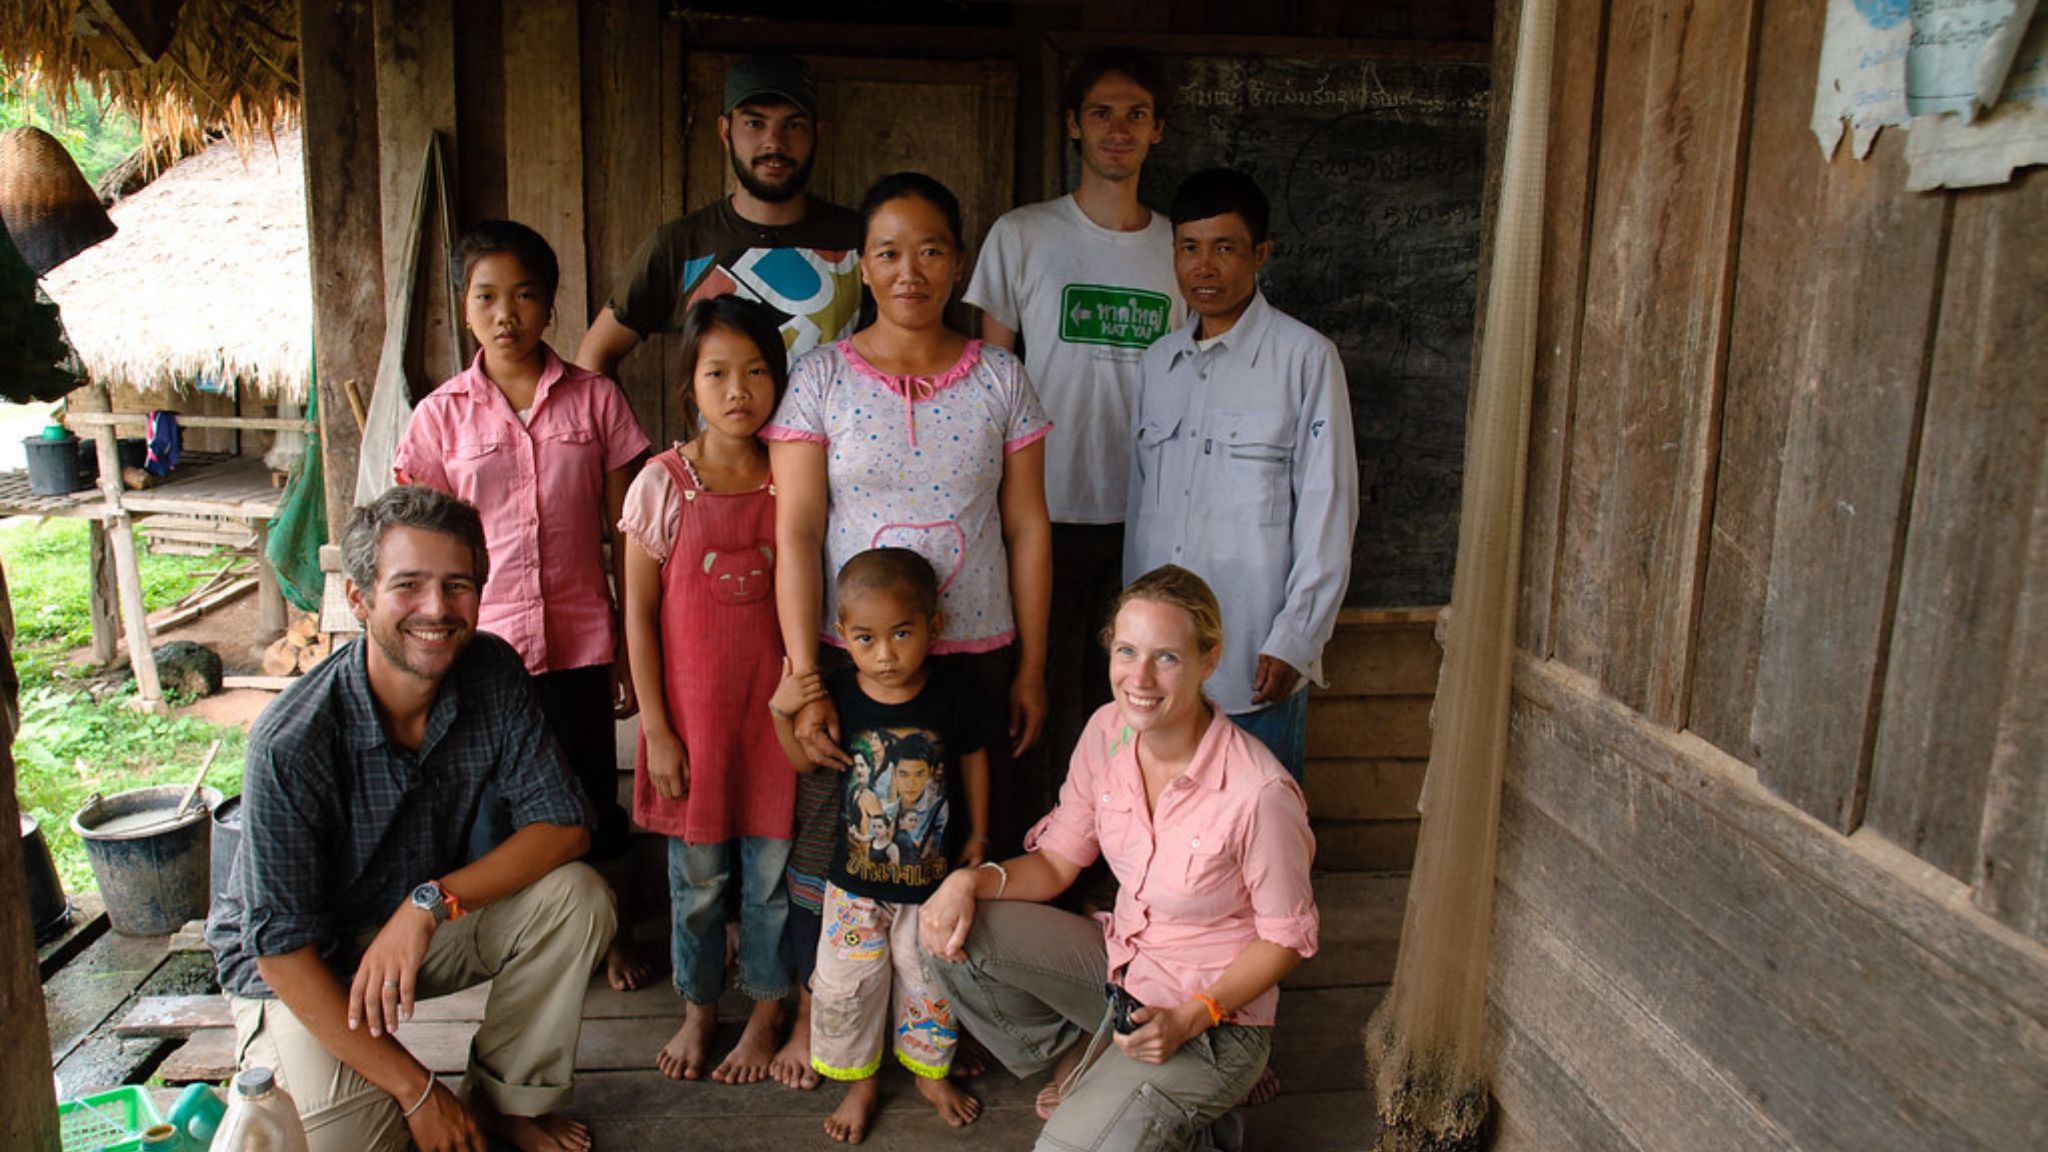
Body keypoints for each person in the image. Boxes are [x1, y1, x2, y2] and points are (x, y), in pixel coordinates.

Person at [205, 485, 615, 1152]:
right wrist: (418, 1088)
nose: (436, 609)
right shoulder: (291, 742)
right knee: (361, 1145)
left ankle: (502, 1099)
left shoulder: (491, 672)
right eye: (408, 586)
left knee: (578, 898)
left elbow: (566, 824)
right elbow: (279, 950)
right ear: (359, 600)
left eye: (458, 586)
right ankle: (376, 1082)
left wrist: (430, 903)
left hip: (409, 931)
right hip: (300, 970)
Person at [764, 170, 1053, 1084]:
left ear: (958, 262)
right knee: (838, 842)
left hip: (974, 656)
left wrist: (1034, 664)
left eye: (931, 249)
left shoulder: (1001, 378)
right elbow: (798, 530)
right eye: (888, 252)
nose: (910, 270)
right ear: (863, 265)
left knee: (966, 841)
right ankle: (834, 1021)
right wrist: (801, 673)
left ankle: (956, 1024)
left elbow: (1026, 526)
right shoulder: (820, 380)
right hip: (858, 665)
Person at [920, 564, 1319, 1151]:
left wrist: (1191, 1017)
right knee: (950, 933)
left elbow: (1287, 939)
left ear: (1209, 661)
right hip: (1122, 974)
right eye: (1127, 651)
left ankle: (1193, 1117)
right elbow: (1057, 863)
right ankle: (1091, 1061)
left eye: (1167, 658)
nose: (1140, 677)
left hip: (1215, 1023)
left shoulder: (1259, 793)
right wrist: (967, 881)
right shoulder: (1108, 732)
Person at [394, 219, 653, 991]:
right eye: (487, 298)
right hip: (483, 651)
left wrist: (627, 651)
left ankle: (609, 935)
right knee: (490, 802)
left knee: (585, 796)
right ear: (464, 310)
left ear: (549, 306)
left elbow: (625, 534)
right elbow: (423, 547)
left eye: (524, 296)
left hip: (579, 640)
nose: (506, 314)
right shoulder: (441, 417)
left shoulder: (597, 402)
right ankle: (508, 942)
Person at [965, 46, 1184, 804]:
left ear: (1159, 130)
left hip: (1147, 519)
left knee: (1127, 697)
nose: (1117, 130)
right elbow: (986, 381)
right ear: (1072, 126)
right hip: (1039, 513)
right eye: (1101, 113)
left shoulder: (1181, 250)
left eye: (1135, 115)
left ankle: (1107, 864)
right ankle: (1031, 857)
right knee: (1035, 690)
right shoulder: (1022, 235)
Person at [1125, 168, 1359, 783]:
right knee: (1165, 832)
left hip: (1255, 651)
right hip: (1159, 665)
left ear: (1260, 254)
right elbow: (1141, 505)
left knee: (1261, 825)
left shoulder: (1305, 359)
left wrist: (1297, 638)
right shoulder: (1158, 364)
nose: (1204, 267)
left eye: (1225, 249)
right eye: (1189, 248)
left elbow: (1328, 506)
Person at [618, 296, 796, 1085]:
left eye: (757, 371)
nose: (738, 390)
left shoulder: (793, 476)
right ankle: (699, 1011)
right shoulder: (663, 483)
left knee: (769, 881)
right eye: (718, 372)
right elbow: (639, 618)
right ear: (690, 384)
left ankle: (763, 1015)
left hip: (775, 727)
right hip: (693, 729)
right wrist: (657, 730)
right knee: (696, 885)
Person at [767, 548, 990, 1143]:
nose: (885, 654)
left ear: (933, 627)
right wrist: (779, 715)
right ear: (842, 634)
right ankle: (860, 1083)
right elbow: (803, 765)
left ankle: (928, 1074)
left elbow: (973, 762)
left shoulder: (954, 694)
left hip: (933, 886)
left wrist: (978, 833)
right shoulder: (839, 694)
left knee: (930, 980)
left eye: (901, 633)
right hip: (854, 887)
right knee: (848, 987)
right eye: (866, 638)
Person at [578, 53, 863, 378]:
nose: (774, 142)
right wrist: (625, 431)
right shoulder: (682, 244)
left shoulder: (859, 241)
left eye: (793, 125)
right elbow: (593, 358)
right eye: (754, 123)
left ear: (817, 133)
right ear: (726, 131)